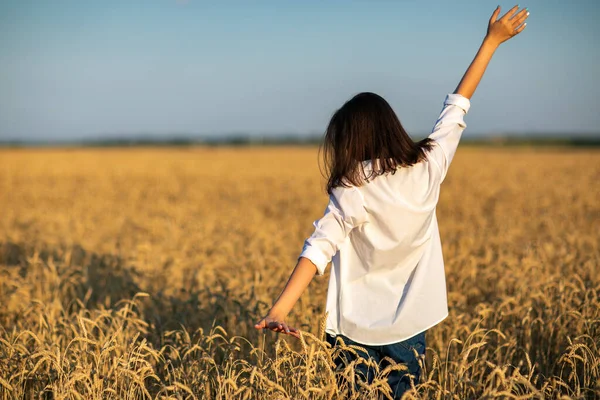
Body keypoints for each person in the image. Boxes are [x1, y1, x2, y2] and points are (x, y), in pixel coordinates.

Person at [255, 5, 529, 399]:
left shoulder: (352, 186)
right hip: (409, 327)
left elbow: (318, 248)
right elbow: (457, 106)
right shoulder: (428, 166)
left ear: (348, 142)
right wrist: (492, 41)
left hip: (352, 331)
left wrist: (280, 310)